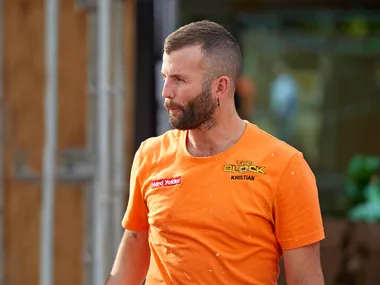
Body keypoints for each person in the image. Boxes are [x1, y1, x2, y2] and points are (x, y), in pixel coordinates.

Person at [106, 20, 325, 285]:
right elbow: (129, 263)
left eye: (179, 80)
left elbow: (305, 280)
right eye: (165, 77)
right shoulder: (150, 155)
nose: (166, 92)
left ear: (220, 87)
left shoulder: (285, 166)